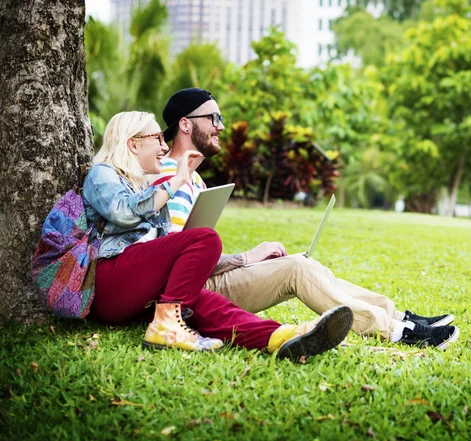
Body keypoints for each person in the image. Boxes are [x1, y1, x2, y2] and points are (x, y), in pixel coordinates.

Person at [154, 88, 460, 351]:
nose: (220, 127)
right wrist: (247, 257)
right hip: (194, 295)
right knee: (297, 268)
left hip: (207, 281)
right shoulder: (172, 178)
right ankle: (393, 331)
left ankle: (397, 317)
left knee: (306, 263)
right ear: (185, 124)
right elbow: (174, 261)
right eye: (213, 118)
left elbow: (194, 253)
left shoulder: (194, 180)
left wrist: (249, 260)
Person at [81, 110, 354, 361]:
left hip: (138, 292)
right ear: (133, 143)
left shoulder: (143, 184)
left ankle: (284, 337)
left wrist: (241, 260)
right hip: (108, 283)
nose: (165, 147)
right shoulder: (102, 173)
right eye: (159, 139)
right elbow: (123, 213)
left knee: (208, 304)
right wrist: (177, 179)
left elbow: (161, 245)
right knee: (205, 238)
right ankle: (166, 325)